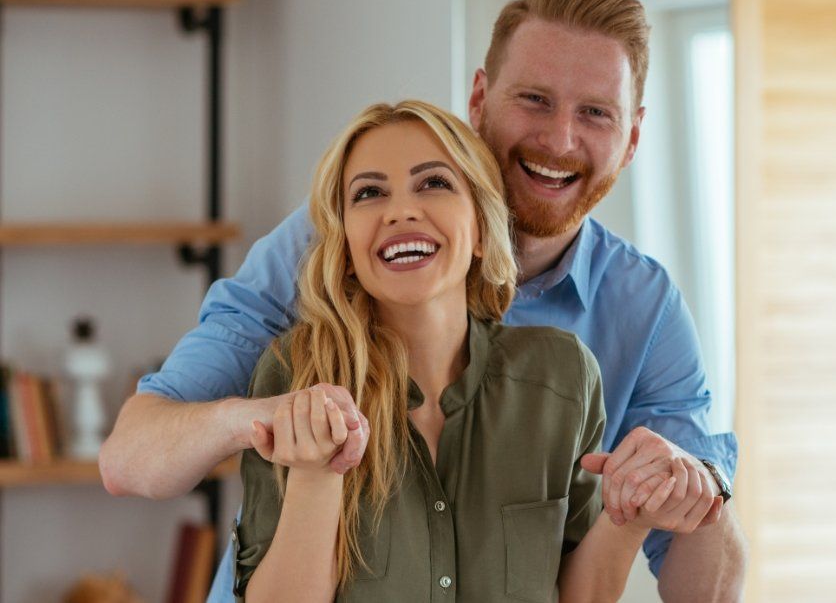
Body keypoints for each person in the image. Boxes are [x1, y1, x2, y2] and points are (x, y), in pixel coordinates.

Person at [100, 0, 747, 602]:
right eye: (534, 99)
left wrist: (691, 488)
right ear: (478, 99)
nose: (559, 138)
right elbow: (130, 459)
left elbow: (704, 591)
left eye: (596, 113)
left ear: (632, 138)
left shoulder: (635, 316)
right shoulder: (329, 248)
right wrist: (267, 421)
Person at [236, 99, 683, 602]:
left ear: (479, 229)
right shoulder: (295, 375)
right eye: (369, 193)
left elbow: (577, 594)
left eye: (434, 183)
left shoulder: (563, 376)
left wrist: (630, 520)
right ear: (345, 244)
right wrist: (316, 476)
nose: (401, 210)